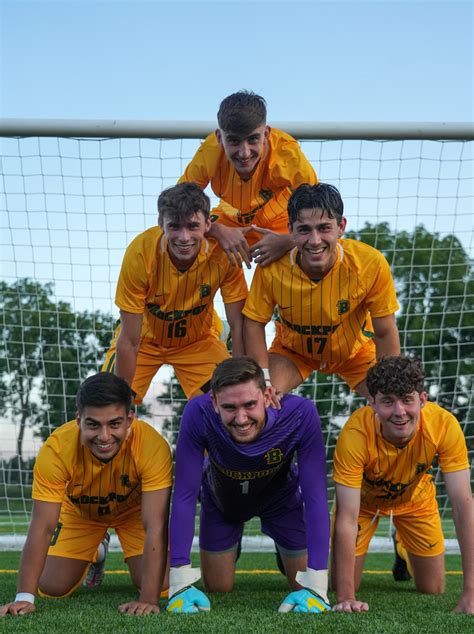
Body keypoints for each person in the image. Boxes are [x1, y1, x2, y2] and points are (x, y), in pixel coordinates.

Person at [166, 357, 331, 614]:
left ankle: (282, 547)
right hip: (223, 501)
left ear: (267, 396)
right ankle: (234, 541)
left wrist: (318, 586)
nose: (241, 418)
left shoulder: (300, 414)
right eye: (229, 407)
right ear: (214, 403)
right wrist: (177, 582)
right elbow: (185, 494)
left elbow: (316, 496)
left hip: (280, 501)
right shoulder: (197, 413)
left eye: (250, 405)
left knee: (301, 587)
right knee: (219, 586)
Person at [0, 372, 172, 617]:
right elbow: (42, 526)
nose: (104, 436)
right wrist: (24, 597)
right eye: (93, 424)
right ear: (79, 419)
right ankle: (97, 549)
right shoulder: (57, 449)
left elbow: (155, 524)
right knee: (51, 588)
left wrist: (148, 599)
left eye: (114, 423)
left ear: (129, 420)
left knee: (163, 585)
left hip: (133, 513)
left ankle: (106, 551)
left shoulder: (152, 446)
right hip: (81, 513)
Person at [331, 356, 473, 614]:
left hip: (415, 500)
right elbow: (347, 516)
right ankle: (351, 578)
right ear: (372, 402)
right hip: (364, 505)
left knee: (433, 588)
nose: (399, 412)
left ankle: (403, 546)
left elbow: (463, 504)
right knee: (339, 583)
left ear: (422, 399)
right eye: (387, 401)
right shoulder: (354, 435)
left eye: (407, 400)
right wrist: (346, 597)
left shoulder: (444, 426)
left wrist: (472, 592)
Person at [243, 183, 401, 400]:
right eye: (304, 229)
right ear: (290, 229)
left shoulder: (370, 264)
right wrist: (266, 381)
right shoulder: (272, 267)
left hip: (356, 353)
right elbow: (253, 322)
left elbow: (385, 331)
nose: (315, 240)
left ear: (341, 226)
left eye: (324, 228)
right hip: (293, 352)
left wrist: (389, 387)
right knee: (260, 401)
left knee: (394, 402)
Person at [103, 182, 248, 403]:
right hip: (144, 341)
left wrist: (241, 384)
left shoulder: (223, 255)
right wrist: (120, 404)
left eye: (192, 226)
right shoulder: (140, 254)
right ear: (161, 223)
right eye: (174, 226)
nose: (184, 237)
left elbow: (240, 325)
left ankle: (219, 330)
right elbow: (130, 341)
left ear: (208, 224)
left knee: (229, 402)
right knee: (110, 402)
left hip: (197, 341)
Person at [179, 90, 318, 268]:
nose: (244, 153)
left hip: (280, 220)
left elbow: (319, 211)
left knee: (310, 248)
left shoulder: (287, 154)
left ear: (266, 134)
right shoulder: (209, 153)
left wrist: (289, 240)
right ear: (220, 138)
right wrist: (217, 230)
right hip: (229, 217)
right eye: (234, 141)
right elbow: (178, 206)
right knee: (189, 239)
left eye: (253, 139)